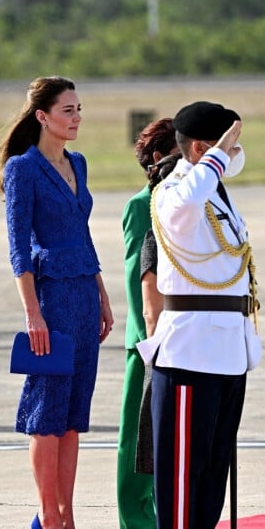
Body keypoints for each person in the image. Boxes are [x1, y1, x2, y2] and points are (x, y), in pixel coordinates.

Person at [0, 76, 114, 529]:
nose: (77, 117)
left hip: (83, 293)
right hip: (50, 299)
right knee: (47, 408)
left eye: (79, 108)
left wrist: (101, 293)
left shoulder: (78, 163)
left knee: (72, 413)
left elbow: (82, 233)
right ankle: (48, 515)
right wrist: (33, 314)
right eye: (68, 110)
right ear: (42, 116)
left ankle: (67, 513)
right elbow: (18, 248)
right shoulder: (23, 169)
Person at [137, 101, 258, 528]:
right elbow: (187, 202)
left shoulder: (216, 193)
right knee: (184, 482)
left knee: (212, 478)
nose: (234, 156)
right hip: (191, 353)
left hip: (227, 349)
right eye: (228, 147)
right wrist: (218, 152)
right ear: (202, 149)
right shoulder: (175, 190)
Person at [117, 118, 177, 529]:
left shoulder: (183, 207)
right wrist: (149, 339)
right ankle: (135, 520)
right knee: (138, 446)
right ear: (159, 157)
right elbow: (137, 278)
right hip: (149, 343)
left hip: (180, 340)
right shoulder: (142, 207)